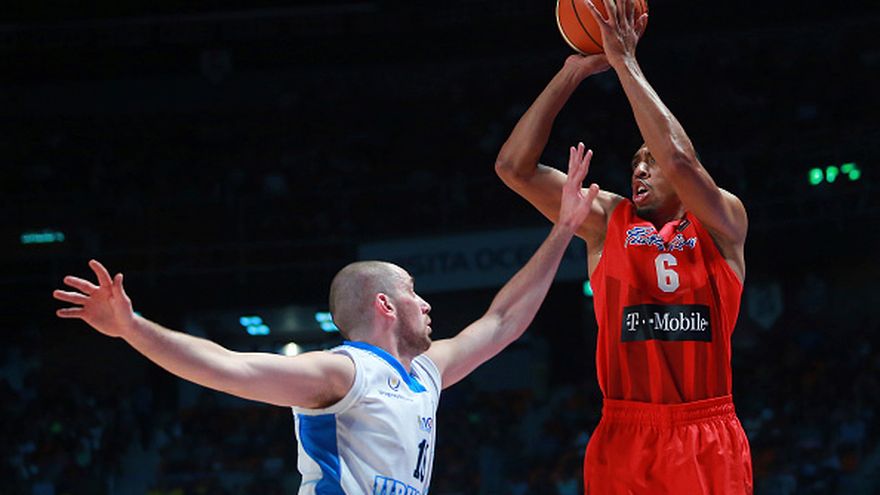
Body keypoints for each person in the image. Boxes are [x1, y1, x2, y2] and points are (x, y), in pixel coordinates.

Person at [53, 144, 601, 495]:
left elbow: (503, 321)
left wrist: (563, 231)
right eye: (413, 292)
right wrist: (132, 327)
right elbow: (224, 366)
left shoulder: (426, 371)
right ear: (384, 305)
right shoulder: (343, 372)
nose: (426, 304)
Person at [494, 0, 752, 493]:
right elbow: (513, 168)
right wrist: (571, 74)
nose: (641, 169)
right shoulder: (608, 220)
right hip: (625, 430)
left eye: (649, 161)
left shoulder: (723, 222)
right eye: (635, 163)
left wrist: (625, 62)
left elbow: (679, 160)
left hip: (705, 429)